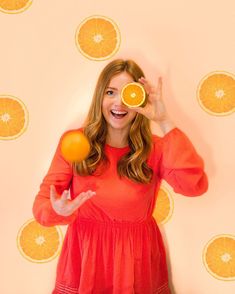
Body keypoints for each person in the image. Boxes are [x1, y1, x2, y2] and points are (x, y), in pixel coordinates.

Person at [32, 59, 208, 294]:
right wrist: (58, 210)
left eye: (129, 94)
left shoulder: (155, 149)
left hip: (138, 260)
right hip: (85, 258)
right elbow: (42, 205)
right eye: (110, 92)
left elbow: (193, 186)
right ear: (99, 97)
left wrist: (164, 121)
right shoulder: (75, 142)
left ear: (141, 100)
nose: (119, 103)